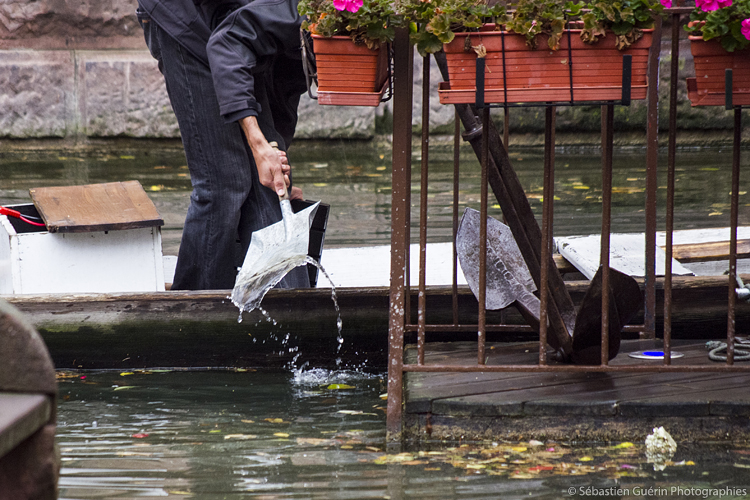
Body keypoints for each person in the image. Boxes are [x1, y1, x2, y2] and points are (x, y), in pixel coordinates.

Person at [135, 0, 310, 290]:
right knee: (224, 182)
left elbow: (285, 86)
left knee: (269, 188)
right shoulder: (298, 14)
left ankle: (286, 316)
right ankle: (193, 317)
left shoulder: (313, 34)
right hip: (187, 19)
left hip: (237, 27)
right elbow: (226, 46)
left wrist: (276, 159)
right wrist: (257, 145)